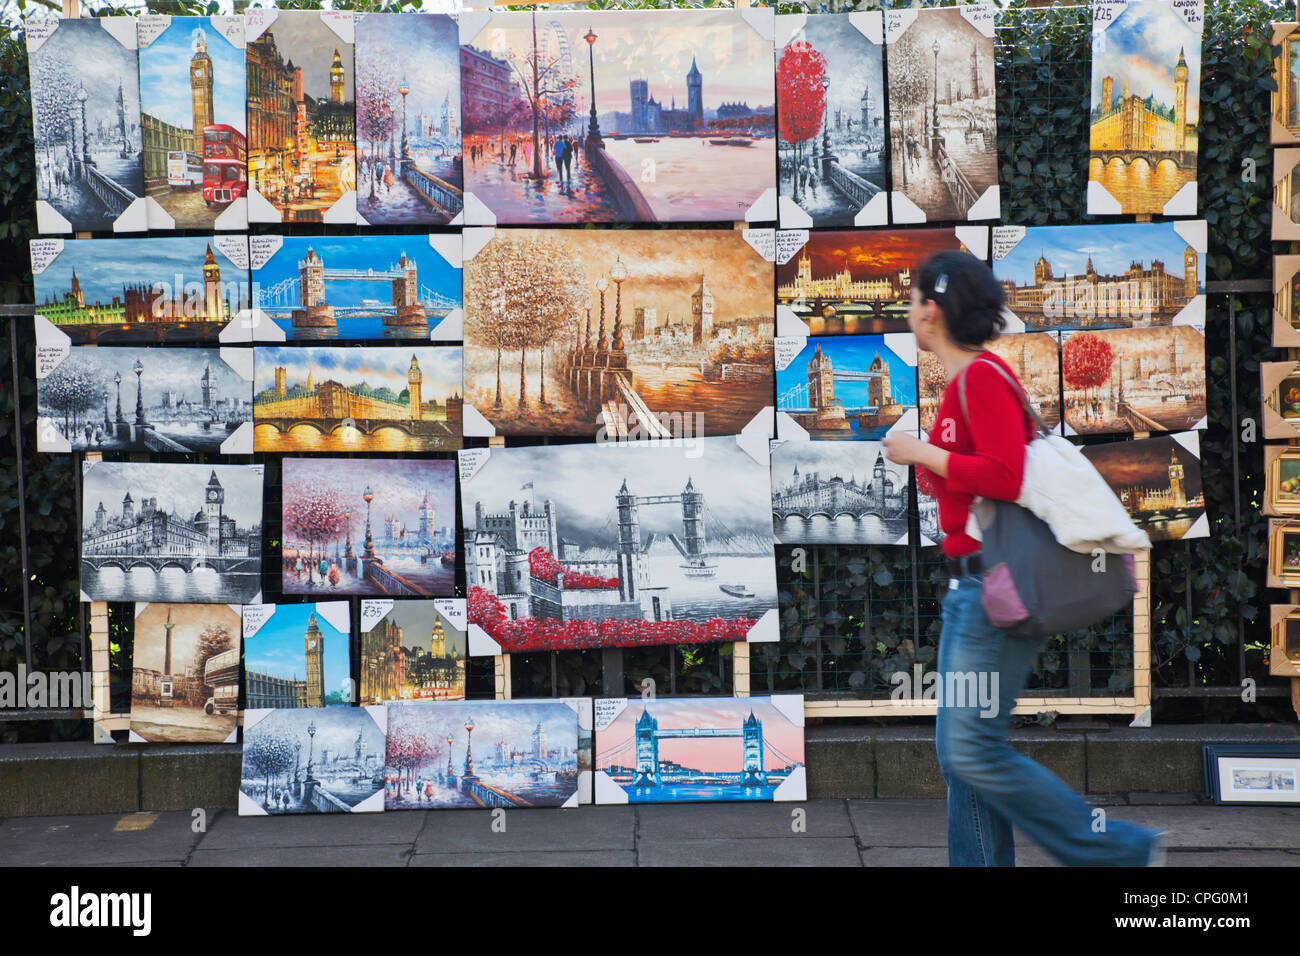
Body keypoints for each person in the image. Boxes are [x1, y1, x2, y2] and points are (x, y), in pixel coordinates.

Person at [880, 250, 1164, 868]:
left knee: (971, 753)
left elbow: (1005, 477)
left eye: (912, 300)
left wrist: (919, 454)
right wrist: (937, 460)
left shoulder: (980, 379)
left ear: (932, 311)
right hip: (975, 589)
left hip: (991, 591)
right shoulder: (967, 381)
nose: (908, 310)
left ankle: (1119, 851)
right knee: (967, 755)